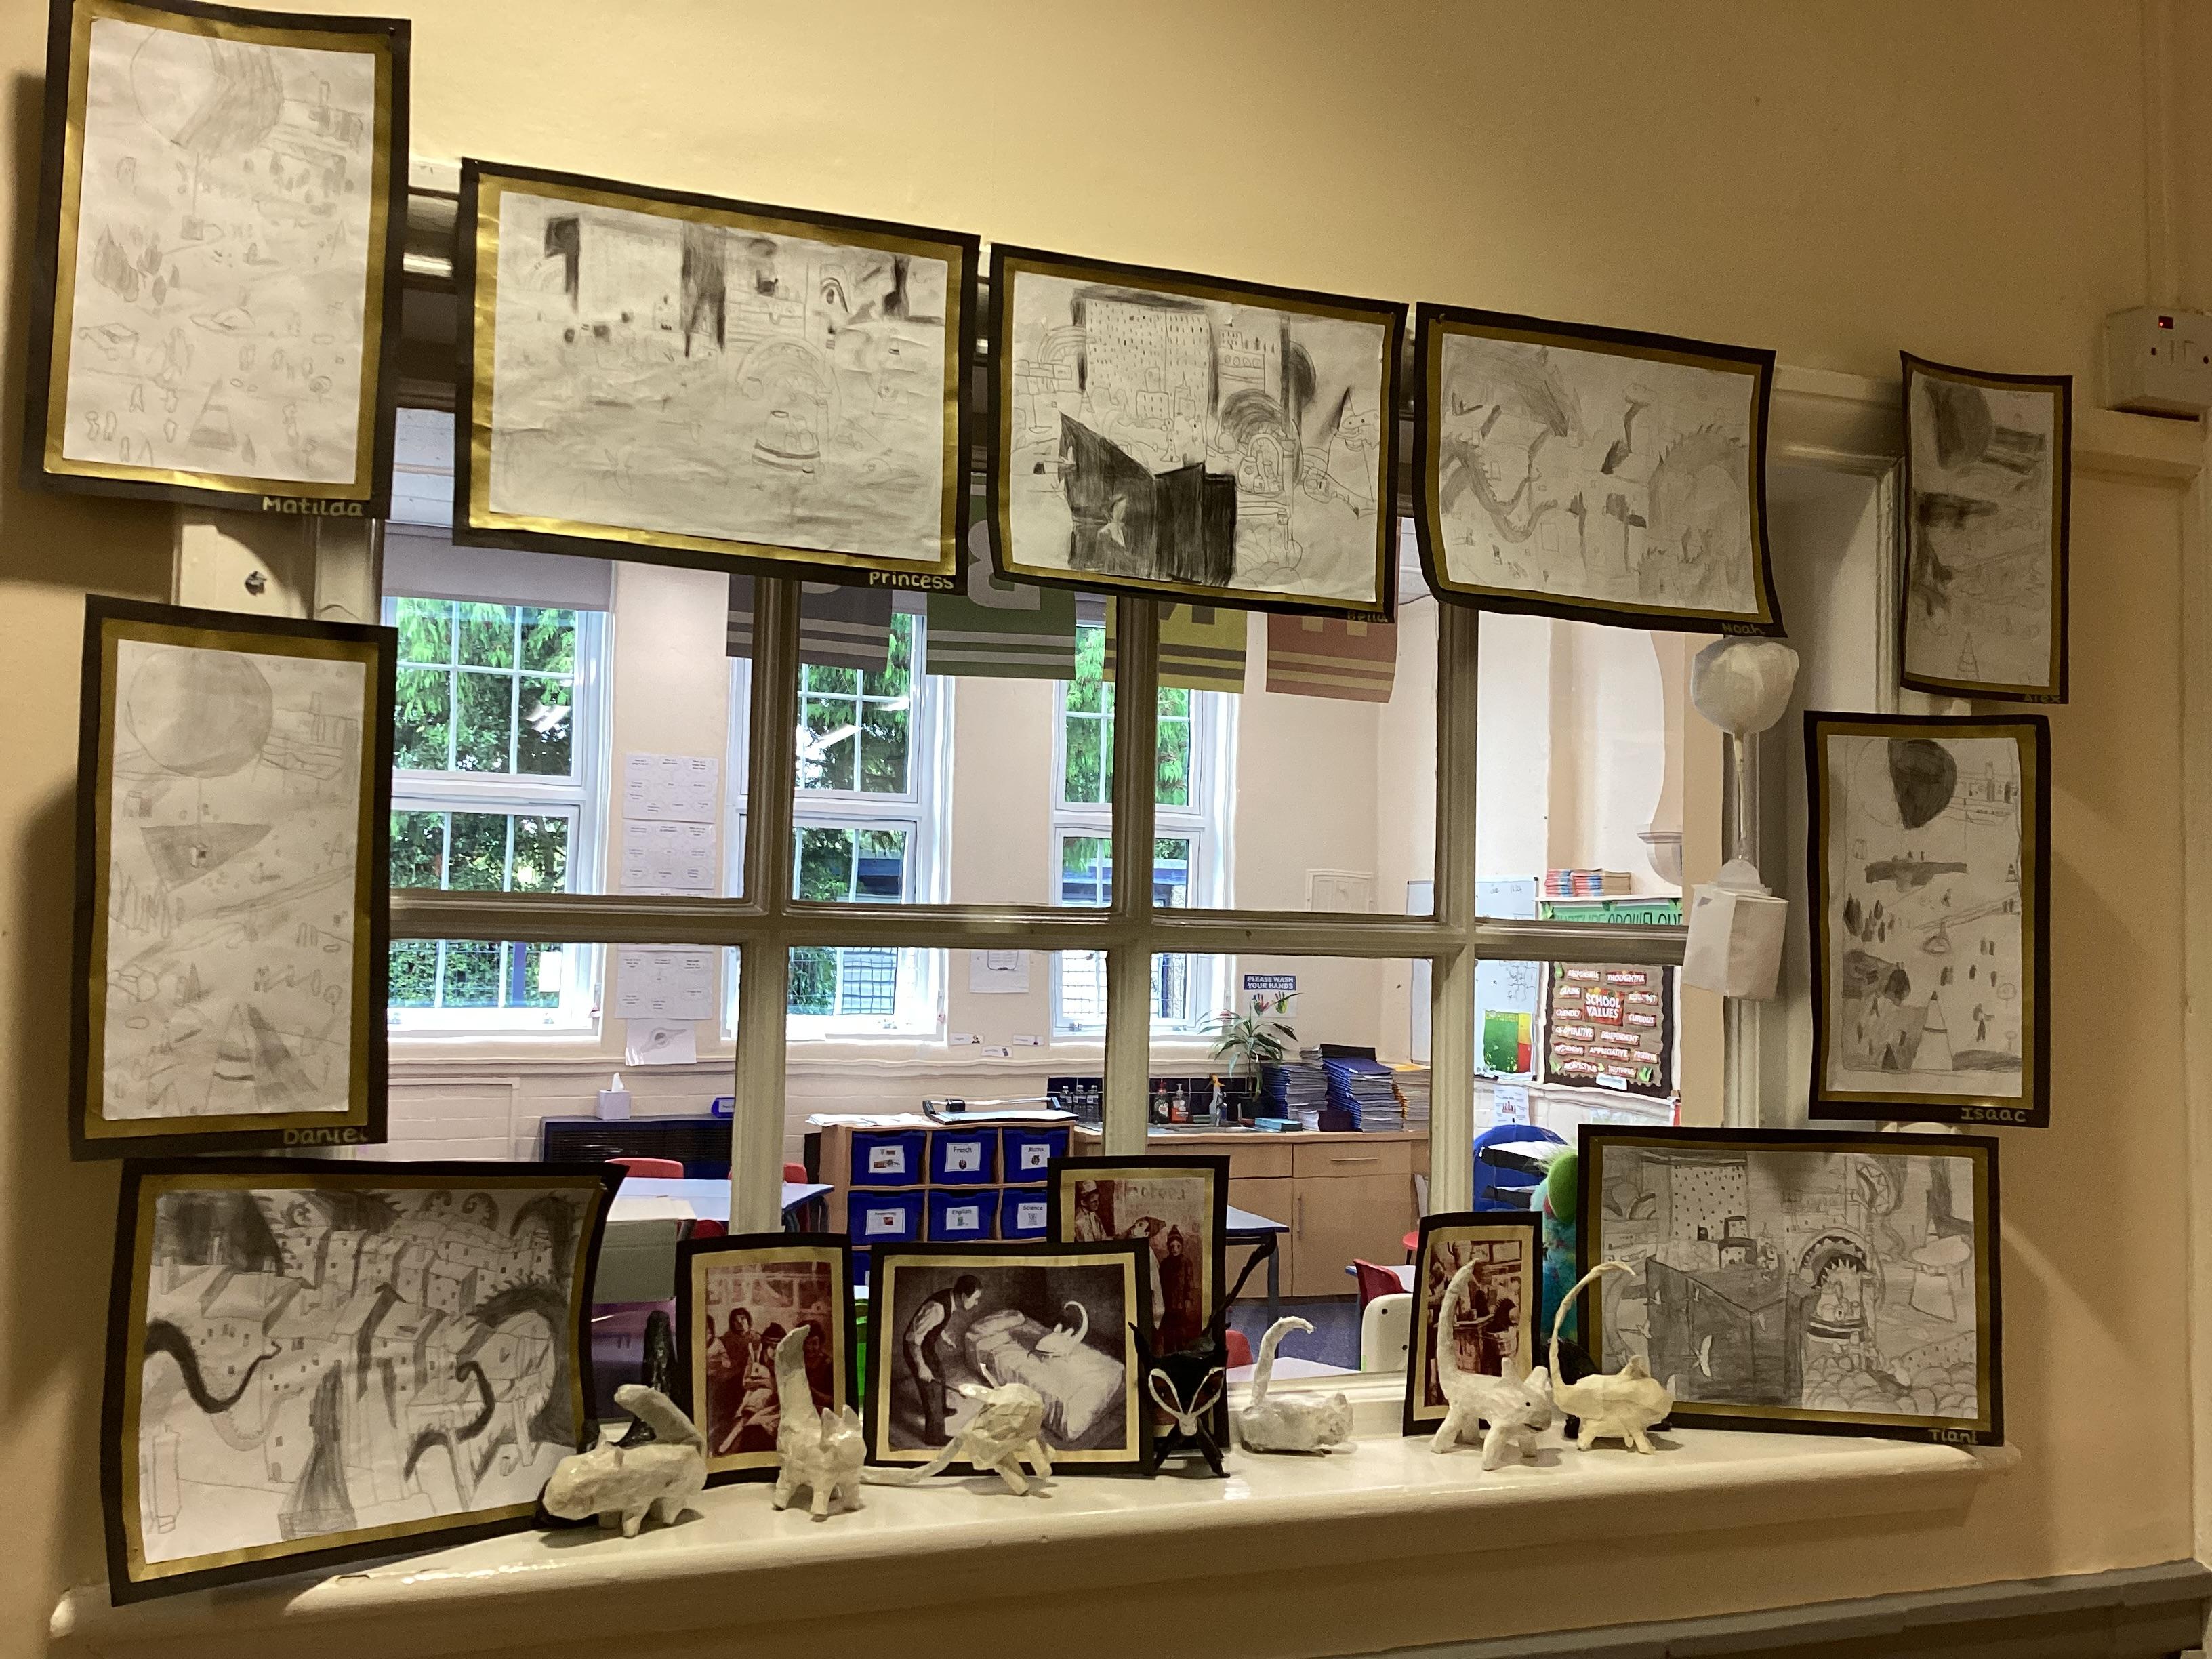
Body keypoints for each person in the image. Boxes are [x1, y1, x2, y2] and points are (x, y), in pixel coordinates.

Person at [903, 1274, 983, 1445]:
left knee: (940, 1374)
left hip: (926, 1345)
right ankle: (934, 1436)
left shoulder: (950, 1298)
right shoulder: (937, 1308)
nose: (977, 1303)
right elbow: (913, 1339)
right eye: (975, 1299)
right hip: (916, 1348)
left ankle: (942, 1409)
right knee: (932, 1387)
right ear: (964, 1296)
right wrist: (921, 1366)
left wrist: (944, 1337)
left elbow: (934, 1325)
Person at [706, 1307, 754, 1448]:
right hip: (734, 1372)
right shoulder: (729, 1338)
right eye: (736, 1320)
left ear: (748, 1320)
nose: (740, 1323)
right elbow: (729, 1362)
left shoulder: (755, 1338)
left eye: (743, 1319)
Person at [1158, 1227, 1201, 1352]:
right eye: (1172, 1247)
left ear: (1182, 1247)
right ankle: (1169, 1355)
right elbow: (1161, 1284)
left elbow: (1189, 1281)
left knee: (1181, 1332)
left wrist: (1188, 1299)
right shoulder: (1165, 1264)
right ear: (1168, 1247)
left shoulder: (1186, 1262)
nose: (1175, 1249)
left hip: (1181, 1304)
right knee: (1168, 1333)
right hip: (1168, 1304)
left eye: (1178, 1246)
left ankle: (1182, 1354)